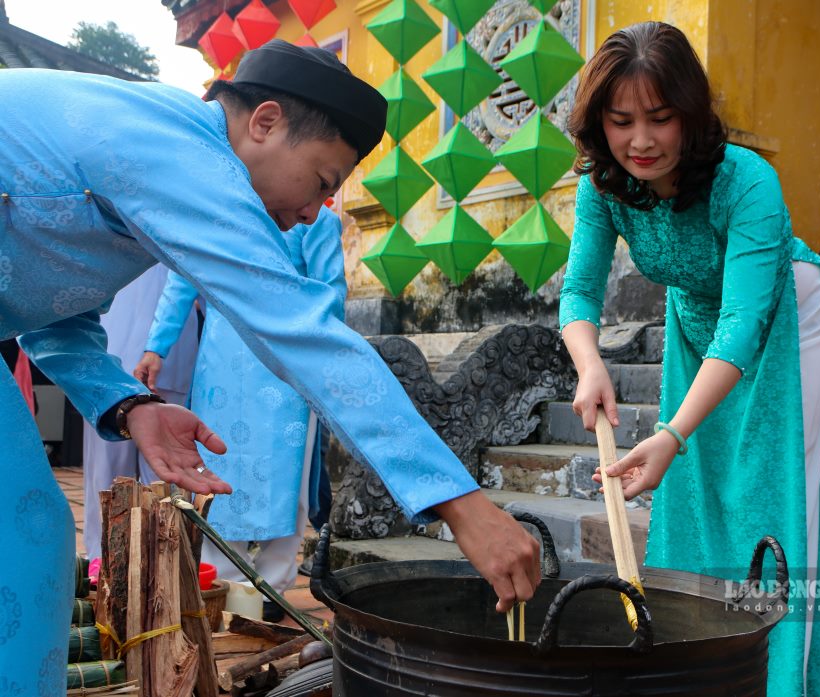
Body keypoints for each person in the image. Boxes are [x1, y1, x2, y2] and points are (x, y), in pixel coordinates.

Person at [0, 39, 539, 693]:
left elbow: (55, 316)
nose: (314, 211)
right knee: (26, 539)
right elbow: (301, 331)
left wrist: (130, 405)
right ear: (265, 122)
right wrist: (464, 505)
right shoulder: (180, 156)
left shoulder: (159, 156)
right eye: (321, 180)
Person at [560, 23, 820, 697]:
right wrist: (589, 362)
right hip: (696, 326)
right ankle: (703, 667)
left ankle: (782, 677)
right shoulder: (603, 186)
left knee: (772, 491)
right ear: (599, 122)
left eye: (661, 119)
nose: (641, 141)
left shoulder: (746, 180)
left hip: (789, 318)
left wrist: (671, 433)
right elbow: (578, 291)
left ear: (690, 112)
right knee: (696, 496)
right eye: (621, 120)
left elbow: (746, 321)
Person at [134, 206, 346, 622]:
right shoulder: (214, 206)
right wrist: (155, 346)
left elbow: (330, 293)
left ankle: (272, 587)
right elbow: (182, 279)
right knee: (216, 466)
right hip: (221, 363)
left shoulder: (314, 217)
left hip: (286, 365)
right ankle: (226, 581)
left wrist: (323, 360)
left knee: (287, 479)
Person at [82, 264, 200, 581]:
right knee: (107, 467)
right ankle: (103, 555)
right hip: (109, 343)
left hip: (170, 349)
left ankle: (167, 558)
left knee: (165, 469)